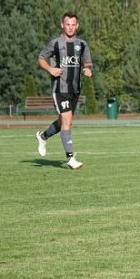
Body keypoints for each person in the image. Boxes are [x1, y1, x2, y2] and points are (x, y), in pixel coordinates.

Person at [34, 12, 93, 169]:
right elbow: (41, 59)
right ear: (62, 24)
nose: (70, 27)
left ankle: (43, 136)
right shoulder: (55, 43)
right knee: (67, 120)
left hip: (75, 89)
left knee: (63, 122)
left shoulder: (82, 44)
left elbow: (87, 63)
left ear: (77, 26)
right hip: (60, 88)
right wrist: (50, 69)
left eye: (73, 25)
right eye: (68, 24)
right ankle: (70, 158)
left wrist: (87, 70)